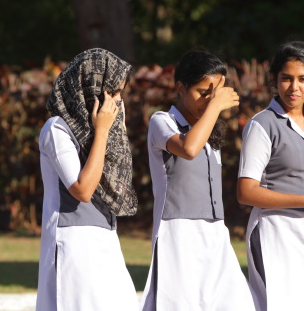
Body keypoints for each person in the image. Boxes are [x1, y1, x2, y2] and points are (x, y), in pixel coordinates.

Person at [140, 50, 256, 311]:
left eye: (215, 94)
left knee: (234, 303)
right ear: (180, 88)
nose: (209, 100)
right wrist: (215, 106)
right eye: (204, 92)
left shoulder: (208, 132)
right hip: (178, 232)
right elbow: (188, 149)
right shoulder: (162, 121)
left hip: (215, 232)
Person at [237, 41, 304, 311]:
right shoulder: (261, 125)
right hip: (277, 234)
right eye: (286, 78)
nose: (294, 87)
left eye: (302, 79)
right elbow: (246, 192)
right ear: (275, 79)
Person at [36, 48, 139, 311]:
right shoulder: (57, 129)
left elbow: (118, 184)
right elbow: (82, 189)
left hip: (106, 235)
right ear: (91, 87)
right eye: (112, 93)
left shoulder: (97, 131)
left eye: (120, 94)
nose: (116, 102)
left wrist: (109, 132)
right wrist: (103, 131)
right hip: (74, 242)